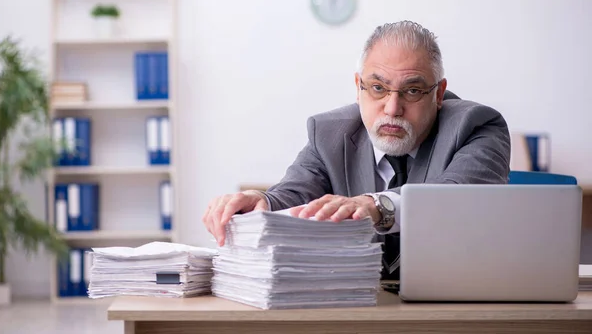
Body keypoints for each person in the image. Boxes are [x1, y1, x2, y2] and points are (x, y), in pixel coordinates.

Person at [203, 21, 511, 280]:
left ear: (439, 93)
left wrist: (376, 205)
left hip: (453, 309)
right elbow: (296, 193)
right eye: (378, 87)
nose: (392, 108)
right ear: (358, 86)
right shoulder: (329, 133)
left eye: (413, 91)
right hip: (360, 310)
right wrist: (262, 201)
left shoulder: (477, 126)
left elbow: (459, 199)